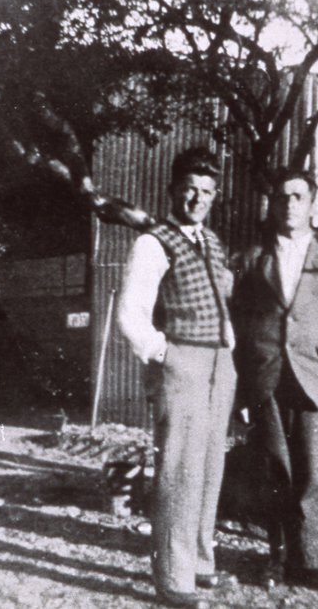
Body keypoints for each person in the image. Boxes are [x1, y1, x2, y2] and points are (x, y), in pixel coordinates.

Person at [117, 147, 236, 609]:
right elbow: (132, 313)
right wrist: (163, 353)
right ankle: (173, 575)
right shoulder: (153, 241)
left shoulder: (213, 241)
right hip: (182, 363)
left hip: (218, 363)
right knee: (180, 471)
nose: (197, 198)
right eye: (189, 188)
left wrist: (230, 349)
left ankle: (201, 563)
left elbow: (222, 306)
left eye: (206, 191)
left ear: (215, 195)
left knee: (209, 468)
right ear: (172, 190)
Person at [232, 169, 318, 592]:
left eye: (298, 196)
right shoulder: (250, 260)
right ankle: (276, 557)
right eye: (282, 197)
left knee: (315, 474)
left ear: (312, 202)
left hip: (316, 376)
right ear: (272, 203)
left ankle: (314, 560)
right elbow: (240, 324)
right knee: (274, 472)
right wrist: (243, 386)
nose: (290, 205)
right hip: (267, 375)